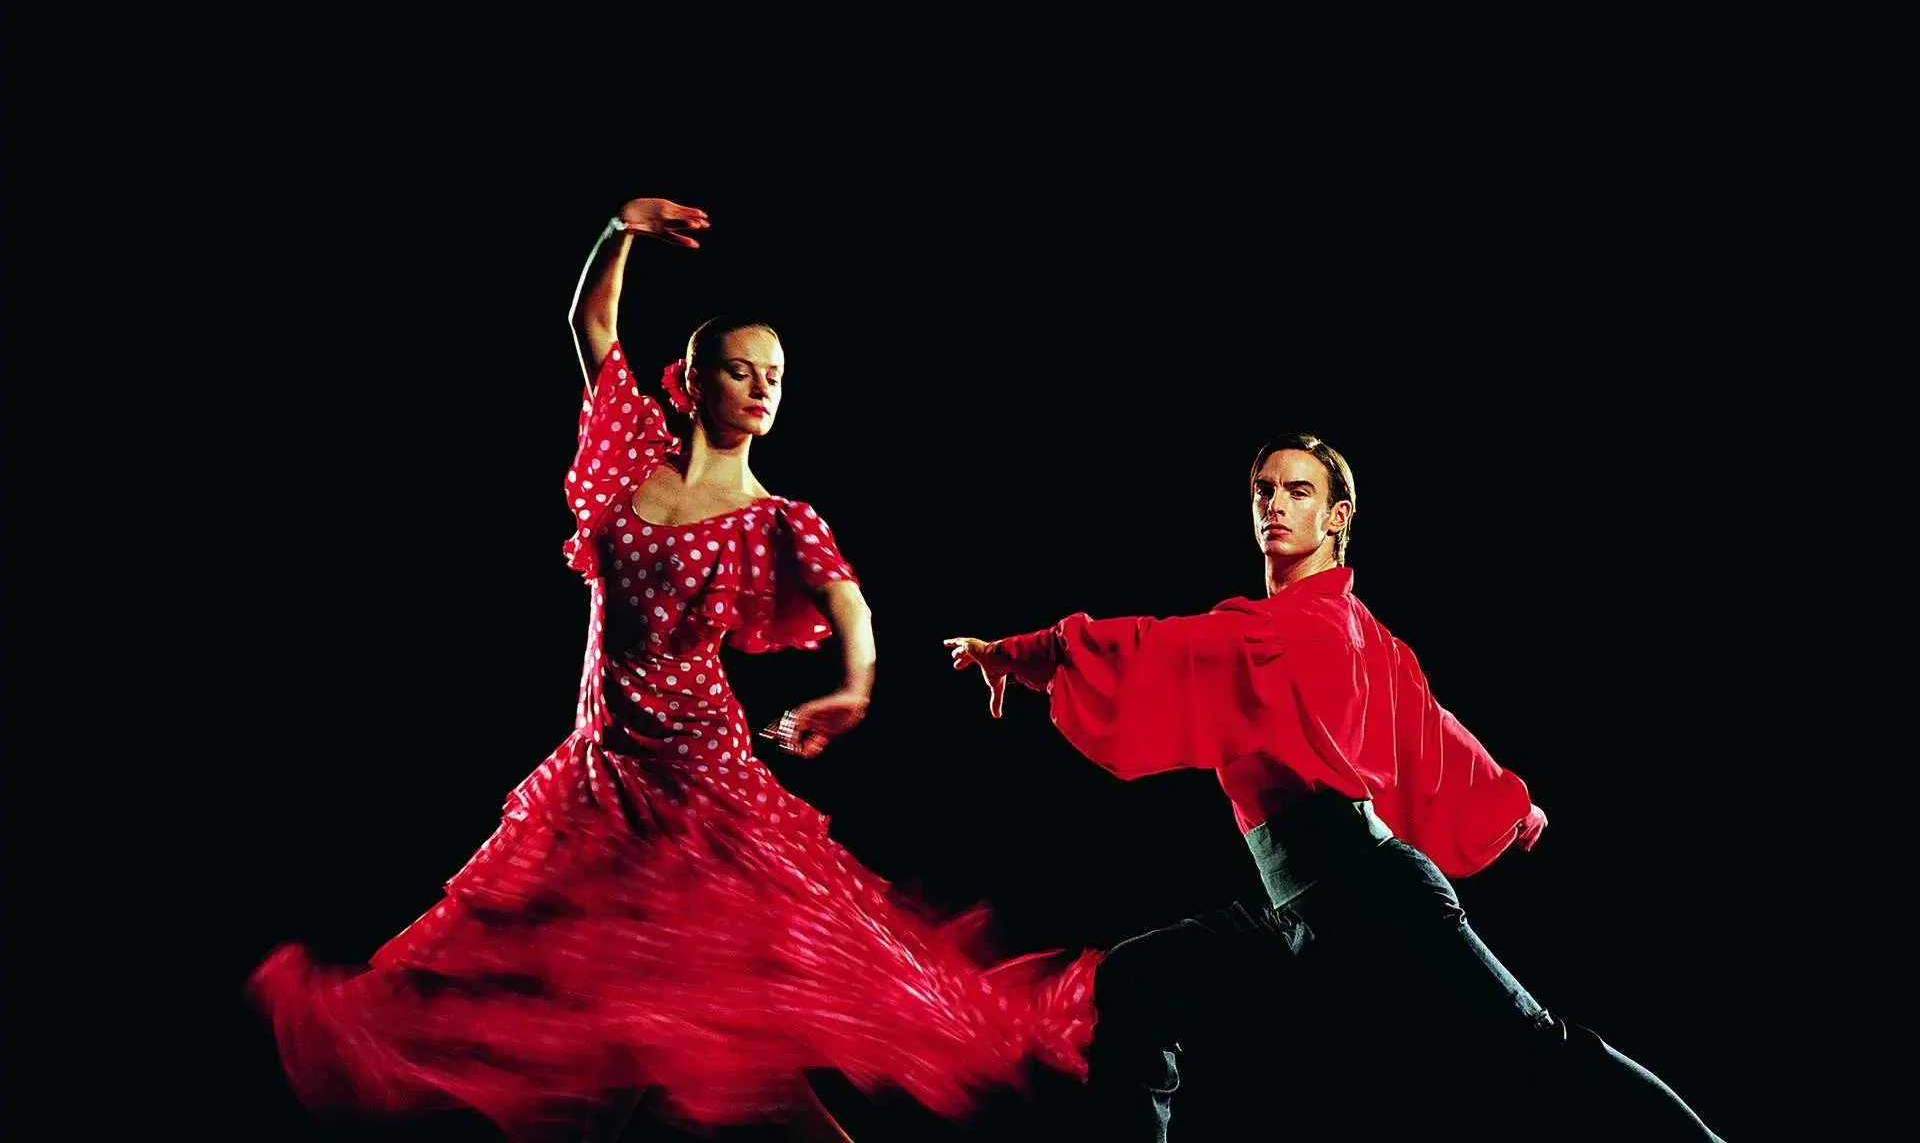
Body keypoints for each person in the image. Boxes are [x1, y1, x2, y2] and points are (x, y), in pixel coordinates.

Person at [250, 198, 1095, 1143]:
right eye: (741, 370)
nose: (763, 388)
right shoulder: (627, 462)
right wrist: (618, 233)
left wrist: (855, 687)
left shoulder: (779, 518)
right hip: (602, 775)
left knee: (695, 1034)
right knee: (608, 1028)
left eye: (775, 376)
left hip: (700, 785)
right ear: (691, 382)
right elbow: (590, 326)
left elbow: (851, 606)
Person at [946, 433, 1722, 1141]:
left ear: (1337, 515)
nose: (1276, 505)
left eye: (1299, 492)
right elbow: (1435, 725)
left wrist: (1030, 651)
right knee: (1139, 982)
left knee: (1536, 1049)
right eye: (1264, 491)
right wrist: (1515, 804)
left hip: (1375, 897)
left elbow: (1161, 646)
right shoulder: (1359, 634)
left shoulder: (1290, 629)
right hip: (1312, 918)